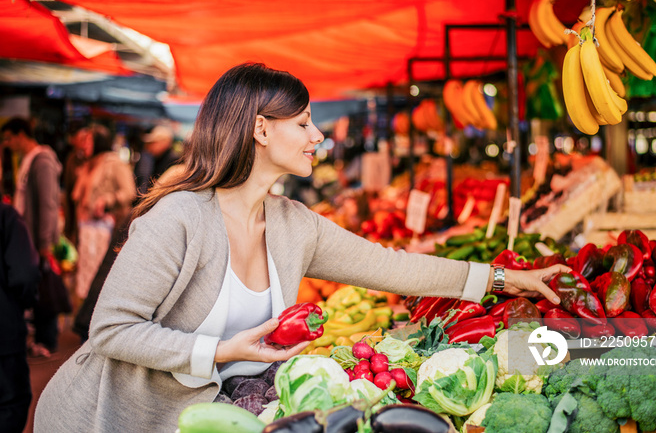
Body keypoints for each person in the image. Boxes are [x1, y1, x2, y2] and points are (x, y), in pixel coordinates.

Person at [34, 63, 568, 433]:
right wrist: (222, 351)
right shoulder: (178, 219)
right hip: (108, 418)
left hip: (201, 417)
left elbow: (393, 267)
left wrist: (503, 279)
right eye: (304, 122)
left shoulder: (295, 225)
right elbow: (110, 329)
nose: (317, 136)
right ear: (261, 130)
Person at [1, 117, 62, 357]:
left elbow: (48, 204)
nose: (7, 144)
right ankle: (39, 338)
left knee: (44, 285)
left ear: (20, 135)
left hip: (36, 239)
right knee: (35, 284)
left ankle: (47, 339)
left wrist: (45, 242)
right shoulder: (28, 160)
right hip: (28, 237)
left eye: (8, 138)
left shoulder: (41, 160)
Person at [71, 124, 136, 300]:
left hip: (105, 230)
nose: (84, 145)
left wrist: (107, 200)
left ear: (99, 141)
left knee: (100, 273)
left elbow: (129, 191)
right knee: (85, 273)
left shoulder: (114, 163)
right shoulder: (87, 164)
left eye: (88, 140)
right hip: (86, 228)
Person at [0, 203, 41, 433]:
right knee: (10, 404)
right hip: (4, 335)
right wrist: (21, 305)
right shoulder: (6, 216)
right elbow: (25, 274)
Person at [134, 124, 180, 195]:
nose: (149, 146)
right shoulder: (157, 158)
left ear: (165, 142)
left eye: (154, 143)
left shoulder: (173, 161)